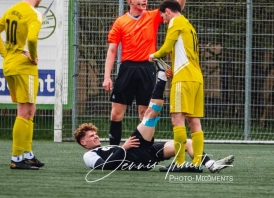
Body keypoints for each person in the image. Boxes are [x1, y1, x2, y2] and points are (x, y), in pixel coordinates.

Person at [76, 65, 234, 172]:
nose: (95, 136)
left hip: (147, 155)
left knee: (187, 142)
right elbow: (104, 167)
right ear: (83, 142)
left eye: (95, 133)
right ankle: (161, 77)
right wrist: (124, 148)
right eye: (91, 136)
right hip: (136, 154)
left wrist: (122, 148)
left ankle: (211, 164)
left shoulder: (107, 148)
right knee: (150, 115)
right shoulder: (89, 155)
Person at [102, 0, 190, 146]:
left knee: (145, 114)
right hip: (127, 69)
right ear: (130, 1)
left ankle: (144, 153)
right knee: (116, 113)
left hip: (147, 69)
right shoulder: (120, 22)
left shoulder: (152, 16)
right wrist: (106, 76)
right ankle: (114, 152)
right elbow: (112, 50)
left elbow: (176, 8)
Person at [0, 0, 46, 170]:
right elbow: (31, 39)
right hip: (24, 68)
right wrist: (33, 57)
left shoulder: (12, 10)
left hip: (10, 65)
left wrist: (6, 53)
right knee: (24, 112)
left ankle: (27, 154)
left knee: (30, 110)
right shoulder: (34, 14)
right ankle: (16, 157)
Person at [149, 0, 205, 172]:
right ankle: (196, 163)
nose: (164, 22)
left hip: (184, 79)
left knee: (177, 120)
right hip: (196, 78)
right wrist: (173, 69)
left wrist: (153, 55)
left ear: (167, 11)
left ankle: (179, 163)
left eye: (163, 17)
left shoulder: (175, 22)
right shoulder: (188, 25)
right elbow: (185, 53)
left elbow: (166, 47)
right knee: (194, 121)